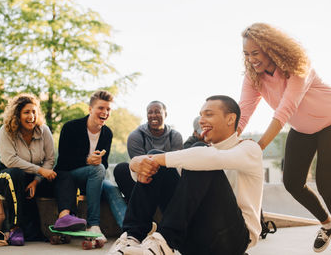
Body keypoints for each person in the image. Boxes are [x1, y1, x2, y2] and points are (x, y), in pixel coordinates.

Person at [239, 23, 331, 255]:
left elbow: (285, 109)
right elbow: (244, 110)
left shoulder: (298, 66)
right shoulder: (253, 76)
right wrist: (226, 141)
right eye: (246, 54)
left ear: (270, 48)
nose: (251, 59)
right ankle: (328, 223)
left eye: (255, 53)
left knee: (327, 186)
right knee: (292, 182)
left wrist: (258, 146)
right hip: (302, 128)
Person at [108, 95, 263, 255]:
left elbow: (208, 158)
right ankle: (131, 237)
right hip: (194, 238)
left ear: (230, 119)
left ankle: (163, 243)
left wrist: (145, 159)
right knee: (166, 159)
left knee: (201, 156)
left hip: (231, 241)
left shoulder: (249, 149)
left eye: (208, 114)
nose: (201, 120)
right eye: (201, 115)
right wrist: (137, 166)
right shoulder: (202, 153)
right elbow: (165, 174)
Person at [0, 94, 86, 246]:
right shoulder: (5, 131)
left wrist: (37, 181)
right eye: (26, 112)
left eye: (34, 112)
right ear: (17, 115)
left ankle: (64, 218)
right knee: (15, 174)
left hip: (35, 178)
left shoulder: (44, 130)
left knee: (64, 176)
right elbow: (11, 161)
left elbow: (50, 159)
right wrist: (40, 171)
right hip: (8, 176)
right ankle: (15, 228)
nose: (32, 116)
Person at [55, 90, 120, 242]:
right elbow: (63, 162)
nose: (105, 112)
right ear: (90, 109)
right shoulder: (70, 128)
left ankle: (130, 229)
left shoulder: (107, 133)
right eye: (101, 108)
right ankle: (93, 224)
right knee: (98, 170)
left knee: (112, 189)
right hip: (69, 177)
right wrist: (87, 160)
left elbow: (103, 164)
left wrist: (97, 162)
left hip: (93, 177)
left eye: (108, 109)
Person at [113, 101, 183, 202]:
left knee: (157, 156)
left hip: (168, 181)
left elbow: (175, 165)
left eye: (157, 112)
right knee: (121, 168)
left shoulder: (175, 136)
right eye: (150, 112)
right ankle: (137, 207)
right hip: (144, 178)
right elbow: (141, 166)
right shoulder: (136, 136)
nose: (153, 115)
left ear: (165, 114)